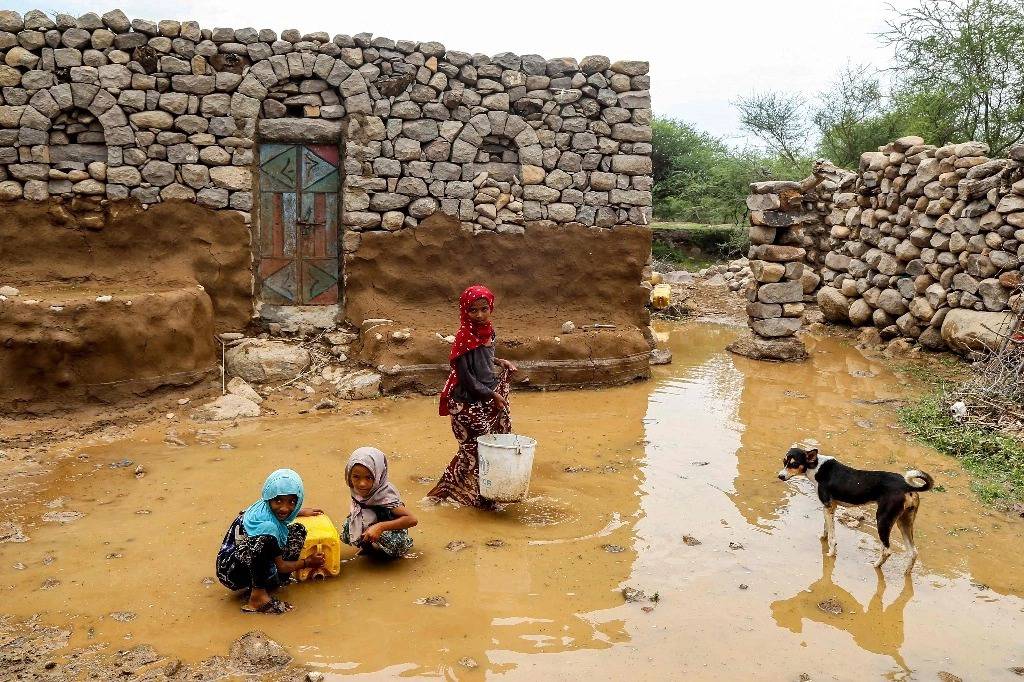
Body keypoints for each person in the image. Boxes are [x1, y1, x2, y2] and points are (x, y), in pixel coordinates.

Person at [428, 285, 517, 508]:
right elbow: (465, 376)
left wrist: (500, 362)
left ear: (491, 308)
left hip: (484, 397)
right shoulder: (463, 337)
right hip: (465, 402)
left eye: (483, 309)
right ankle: (464, 493)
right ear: (464, 311)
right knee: (475, 449)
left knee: (487, 447)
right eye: (473, 310)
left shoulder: (488, 331)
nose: (479, 315)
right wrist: (492, 394)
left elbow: (486, 356)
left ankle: (477, 493)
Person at [216, 468, 325, 614]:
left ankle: (273, 583)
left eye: (292, 502)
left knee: (298, 530)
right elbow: (282, 566)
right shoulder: (266, 526)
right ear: (269, 498)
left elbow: (282, 510)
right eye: (278, 501)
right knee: (266, 538)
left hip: (250, 558)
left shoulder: (264, 506)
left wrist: (299, 512)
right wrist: (308, 562)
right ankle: (258, 597)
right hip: (232, 571)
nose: (285, 508)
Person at [343, 447, 417, 559]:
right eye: (356, 477)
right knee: (348, 526)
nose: (362, 483)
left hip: (392, 530)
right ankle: (368, 548)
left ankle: (392, 555)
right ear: (349, 475)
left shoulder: (385, 495)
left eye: (369, 477)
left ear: (378, 476)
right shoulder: (356, 490)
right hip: (372, 524)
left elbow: (412, 519)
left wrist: (380, 527)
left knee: (395, 543)